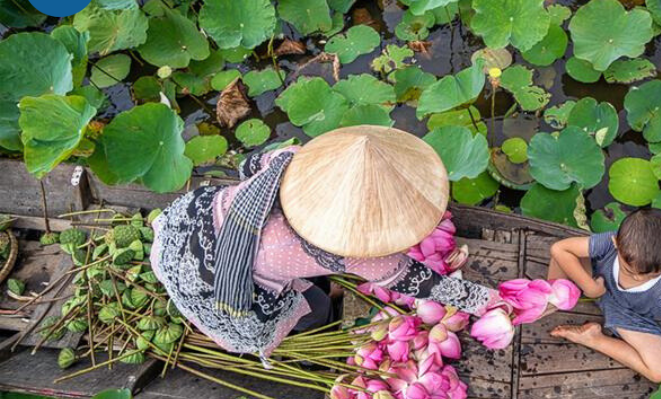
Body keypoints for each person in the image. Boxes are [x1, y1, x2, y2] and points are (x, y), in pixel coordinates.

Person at [149, 125, 507, 367]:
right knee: (316, 306)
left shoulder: (290, 158)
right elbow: (421, 282)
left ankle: (307, 285)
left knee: (298, 272)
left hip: (189, 217)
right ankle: (308, 334)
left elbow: (246, 166)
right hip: (216, 282)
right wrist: (484, 300)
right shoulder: (353, 256)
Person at [547, 209, 661, 399]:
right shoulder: (609, 243)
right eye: (631, 270)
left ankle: (594, 338)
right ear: (617, 243)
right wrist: (590, 287)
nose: (637, 277)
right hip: (597, 281)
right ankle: (551, 296)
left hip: (629, 314)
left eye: (647, 275)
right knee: (563, 256)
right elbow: (558, 248)